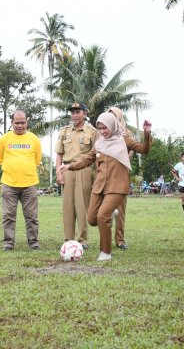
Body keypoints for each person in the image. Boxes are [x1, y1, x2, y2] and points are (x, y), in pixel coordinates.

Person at [58, 113, 151, 261]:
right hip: (100, 186)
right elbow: (87, 160)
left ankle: (105, 252)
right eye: (99, 128)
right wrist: (69, 166)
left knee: (102, 216)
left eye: (105, 128)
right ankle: (111, 214)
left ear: (112, 125)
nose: (102, 131)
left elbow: (144, 149)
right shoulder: (100, 143)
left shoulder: (124, 139)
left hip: (117, 186)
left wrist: (146, 133)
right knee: (92, 219)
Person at [0, 110, 42, 251]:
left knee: (32, 216)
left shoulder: (34, 139)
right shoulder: (4, 139)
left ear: (27, 122)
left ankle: (33, 243)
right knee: (8, 215)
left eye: (22, 122)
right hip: (9, 184)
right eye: (17, 123)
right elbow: (0, 159)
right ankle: (8, 243)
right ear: (12, 123)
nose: (20, 125)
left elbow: (37, 161)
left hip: (29, 184)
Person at [55, 102, 96, 250]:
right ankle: (68, 239)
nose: (75, 115)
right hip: (66, 169)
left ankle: (82, 240)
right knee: (67, 207)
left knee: (82, 205)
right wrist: (58, 172)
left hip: (84, 169)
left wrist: (96, 177)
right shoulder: (64, 131)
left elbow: (96, 156)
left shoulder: (92, 132)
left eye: (78, 112)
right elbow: (59, 153)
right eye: (72, 112)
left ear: (85, 114)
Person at [107, 106, 137, 249]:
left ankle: (120, 240)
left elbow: (133, 152)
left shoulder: (127, 133)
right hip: (105, 177)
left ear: (119, 117)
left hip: (120, 176)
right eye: (109, 116)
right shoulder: (103, 133)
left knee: (120, 210)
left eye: (114, 115)